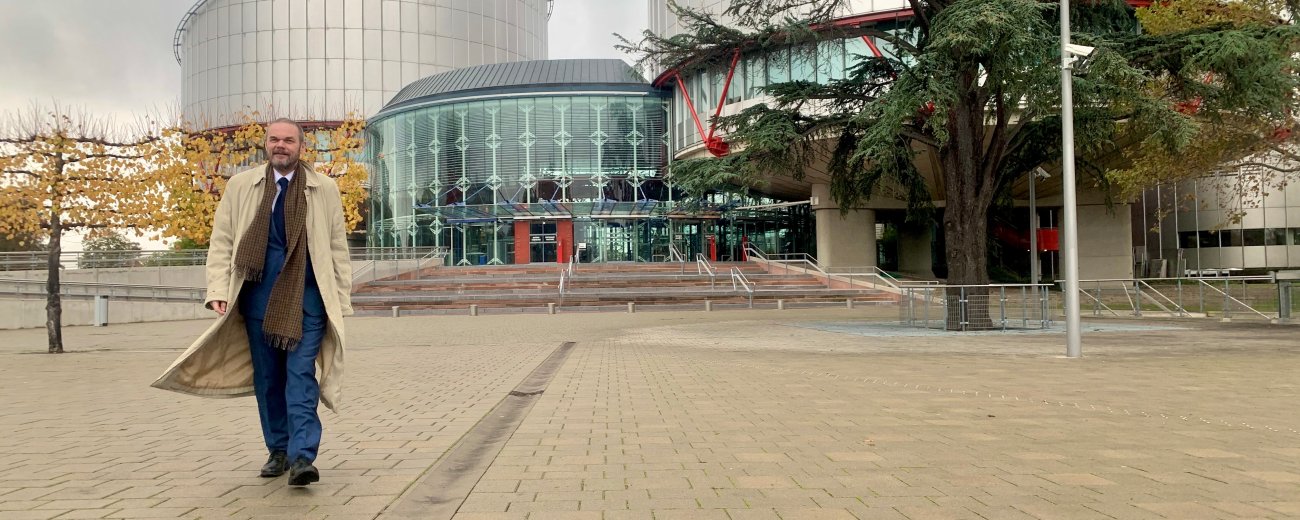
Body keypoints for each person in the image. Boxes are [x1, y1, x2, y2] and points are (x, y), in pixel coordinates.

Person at [153, 118, 353, 486]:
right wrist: (218, 289)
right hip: (257, 299)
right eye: (274, 139)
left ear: (301, 146)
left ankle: (302, 457)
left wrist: (341, 299)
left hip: (307, 301)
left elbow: (337, 246)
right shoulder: (242, 185)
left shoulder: (323, 188)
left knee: (300, 377)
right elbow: (223, 240)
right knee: (269, 379)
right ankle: (278, 449)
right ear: (266, 144)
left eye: (288, 140)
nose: (281, 145)